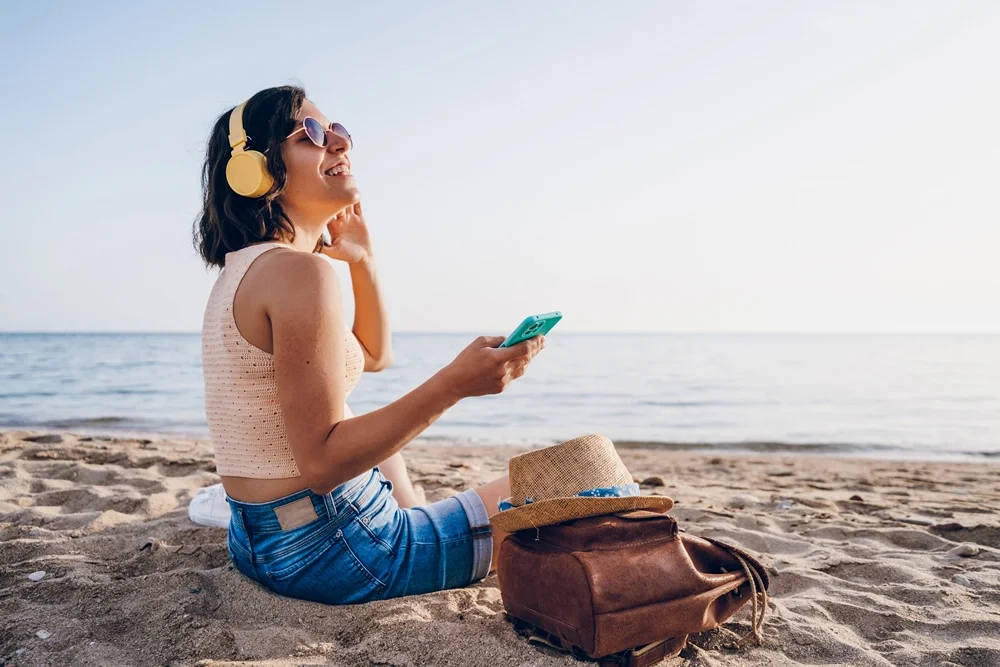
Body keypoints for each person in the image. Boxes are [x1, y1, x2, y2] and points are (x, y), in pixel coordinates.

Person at [193, 85, 544, 605]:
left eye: (339, 132)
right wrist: (455, 385)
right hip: (341, 554)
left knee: (359, 417)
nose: (338, 144)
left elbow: (373, 357)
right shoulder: (298, 273)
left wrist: (364, 261)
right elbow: (323, 464)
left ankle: (415, 513)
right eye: (311, 133)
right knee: (588, 475)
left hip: (262, 542)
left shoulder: (251, 268)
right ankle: (421, 525)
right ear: (256, 169)